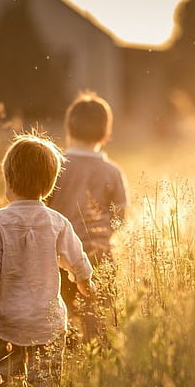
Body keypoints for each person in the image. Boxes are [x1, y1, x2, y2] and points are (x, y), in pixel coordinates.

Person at [0, 133, 93, 387]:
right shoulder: (57, 221)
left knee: (5, 376)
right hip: (46, 318)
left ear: (8, 180)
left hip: (8, 318)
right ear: (49, 185)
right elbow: (77, 257)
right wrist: (84, 281)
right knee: (47, 378)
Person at [47, 92, 128, 344]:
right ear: (105, 134)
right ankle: (96, 357)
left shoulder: (56, 165)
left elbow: (42, 205)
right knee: (99, 316)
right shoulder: (112, 171)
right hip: (99, 254)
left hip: (57, 256)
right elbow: (120, 216)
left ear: (69, 128)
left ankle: (64, 352)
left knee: (61, 311)